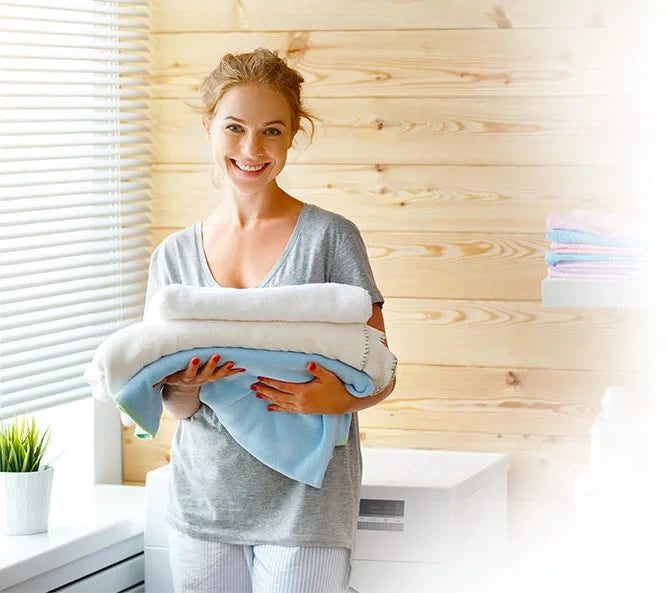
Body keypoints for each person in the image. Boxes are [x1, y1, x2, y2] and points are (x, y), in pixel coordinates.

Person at [143, 47, 396, 593]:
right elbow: (175, 406)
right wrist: (185, 388)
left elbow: (382, 369)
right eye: (234, 128)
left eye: (272, 131)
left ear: (293, 135)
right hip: (204, 499)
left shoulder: (330, 238)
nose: (252, 149)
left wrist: (341, 400)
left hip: (305, 504)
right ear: (209, 126)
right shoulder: (174, 257)